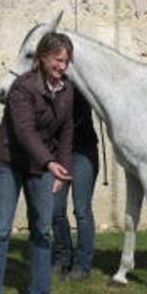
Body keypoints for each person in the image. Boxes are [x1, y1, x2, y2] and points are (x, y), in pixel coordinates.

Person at [0, 32, 75, 294]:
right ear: (42, 58)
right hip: (8, 161)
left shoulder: (67, 90)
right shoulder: (23, 87)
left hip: (41, 166)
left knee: (42, 230)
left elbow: (67, 133)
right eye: (57, 60)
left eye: (66, 61)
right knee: (0, 230)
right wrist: (50, 162)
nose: (62, 66)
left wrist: (62, 168)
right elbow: (24, 132)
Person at [51, 85, 99, 282]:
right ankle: (63, 258)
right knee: (55, 209)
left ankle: (82, 264)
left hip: (82, 151)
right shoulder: (43, 85)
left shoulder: (80, 84)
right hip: (58, 153)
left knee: (81, 209)